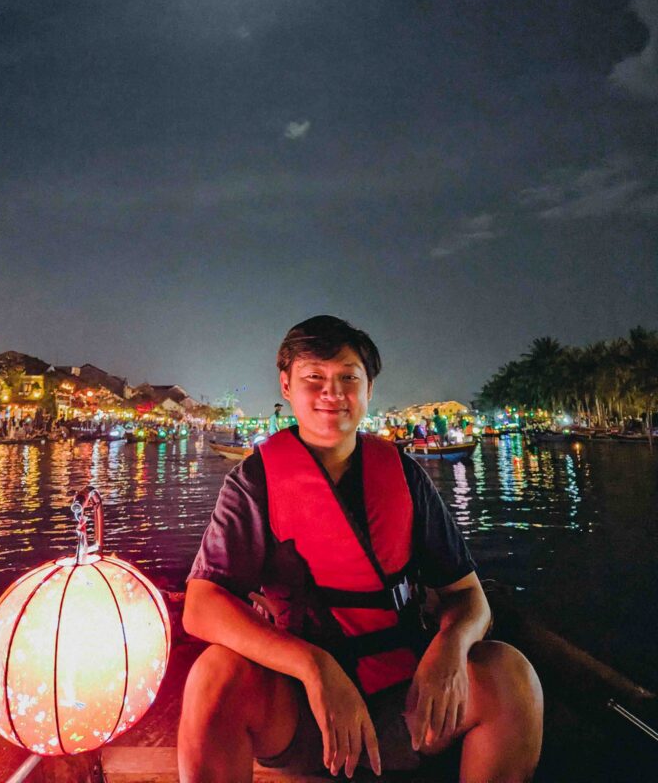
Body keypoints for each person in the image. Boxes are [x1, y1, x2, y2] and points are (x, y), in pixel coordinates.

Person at [179, 315, 542, 783]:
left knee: (511, 675)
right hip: (297, 706)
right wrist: (315, 667)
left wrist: (450, 647)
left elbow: (469, 596)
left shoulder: (405, 477)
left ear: (368, 389)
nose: (333, 393)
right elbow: (201, 606)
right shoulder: (254, 483)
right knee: (214, 676)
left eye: (349, 377)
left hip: (410, 698)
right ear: (287, 386)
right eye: (314, 378)